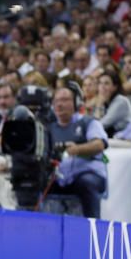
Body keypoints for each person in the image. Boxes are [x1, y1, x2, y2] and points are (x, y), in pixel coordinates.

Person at [47, 86, 108, 217]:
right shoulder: (49, 127)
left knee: (86, 182)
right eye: (56, 101)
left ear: (76, 102)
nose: (60, 104)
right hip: (60, 176)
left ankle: (93, 226)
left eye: (65, 100)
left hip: (87, 172)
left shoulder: (88, 122)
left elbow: (100, 144)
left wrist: (78, 149)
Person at [92, 70, 131, 137]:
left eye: (106, 83)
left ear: (115, 87)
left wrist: (99, 105)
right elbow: (94, 122)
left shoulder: (121, 101)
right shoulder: (104, 101)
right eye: (100, 83)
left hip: (126, 138)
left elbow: (102, 125)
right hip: (114, 138)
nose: (102, 87)